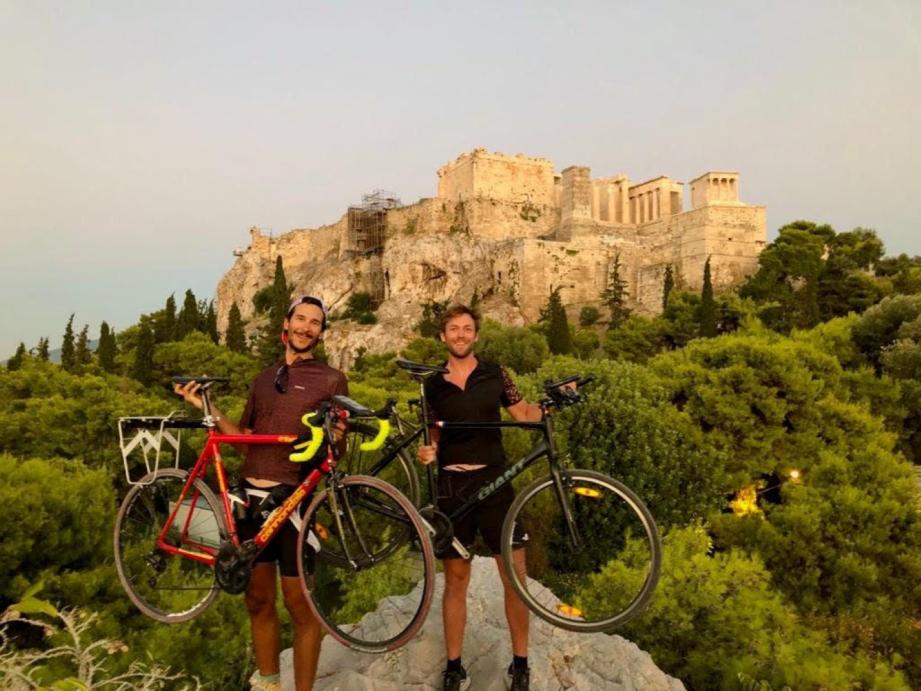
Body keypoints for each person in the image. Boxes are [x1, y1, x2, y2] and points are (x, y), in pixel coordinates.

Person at [174, 295, 346, 691]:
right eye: (300, 319)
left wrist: (337, 437)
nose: (306, 327)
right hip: (250, 499)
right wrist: (206, 405)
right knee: (257, 600)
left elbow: (339, 450)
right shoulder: (263, 379)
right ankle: (268, 683)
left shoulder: (332, 379)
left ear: (321, 333)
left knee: (301, 607)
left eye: (315, 322)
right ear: (286, 325)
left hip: (294, 500)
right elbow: (242, 439)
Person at [417, 304, 544, 691]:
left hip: (496, 485)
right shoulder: (431, 383)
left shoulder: (496, 373)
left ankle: (520, 663)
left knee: (514, 577)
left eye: (467, 328)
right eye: (453, 328)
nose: (460, 334)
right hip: (453, 490)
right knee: (456, 579)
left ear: (475, 334)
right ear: (442, 336)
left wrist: (553, 404)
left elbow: (522, 411)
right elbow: (432, 434)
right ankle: (455, 667)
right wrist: (429, 450)